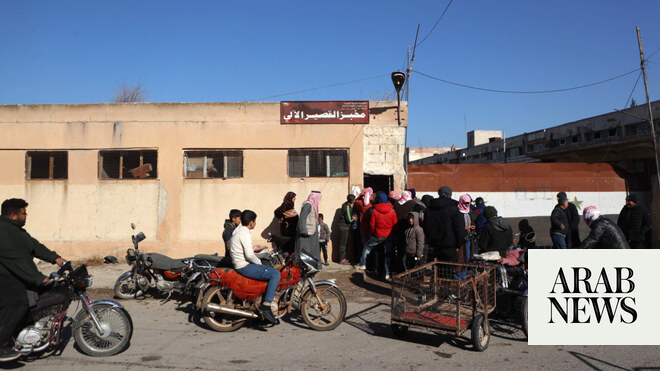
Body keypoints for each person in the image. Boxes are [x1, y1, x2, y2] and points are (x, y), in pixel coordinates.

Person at [0, 198, 68, 361]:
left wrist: (56, 258)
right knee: (19, 304)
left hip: (12, 274)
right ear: (14, 215)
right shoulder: (4, 231)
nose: (26, 215)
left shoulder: (16, 231)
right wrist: (38, 278)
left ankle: (21, 334)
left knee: (36, 300)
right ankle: (2, 345)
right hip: (4, 276)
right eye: (24, 212)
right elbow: (16, 260)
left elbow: (34, 246)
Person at [229, 210, 280, 325]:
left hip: (239, 264)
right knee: (275, 274)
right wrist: (259, 263)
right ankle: (266, 306)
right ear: (251, 222)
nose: (255, 223)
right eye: (255, 221)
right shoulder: (245, 232)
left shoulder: (237, 230)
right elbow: (249, 255)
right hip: (244, 266)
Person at [356, 193, 397, 280]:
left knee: (367, 246)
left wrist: (372, 233)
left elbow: (372, 224)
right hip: (389, 236)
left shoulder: (374, 211)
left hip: (378, 235)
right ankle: (387, 273)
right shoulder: (392, 211)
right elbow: (395, 225)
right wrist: (393, 234)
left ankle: (363, 263)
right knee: (387, 255)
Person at [423, 186, 465, 263]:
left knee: (437, 269)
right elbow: (459, 228)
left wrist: (430, 240)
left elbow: (426, 227)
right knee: (448, 269)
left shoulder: (429, 209)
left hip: (435, 245)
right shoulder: (453, 209)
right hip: (450, 245)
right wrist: (459, 244)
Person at [296, 191, 322, 261]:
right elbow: (302, 218)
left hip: (312, 233)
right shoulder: (308, 205)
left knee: (312, 251)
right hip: (307, 233)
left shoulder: (312, 205)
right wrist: (304, 230)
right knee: (306, 252)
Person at [336, 194, 357, 265]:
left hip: (344, 227)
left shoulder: (345, 205)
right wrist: (353, 219)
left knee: (344, 243)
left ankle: (343, 258)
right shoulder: (347, 207)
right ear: (352, 201)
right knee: (343, 244)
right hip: (344, 227)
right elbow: (348, 220)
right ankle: (342, 259)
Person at [458, 194, 477, 261]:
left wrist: (473, 226)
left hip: (468, 236)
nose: (467, 205)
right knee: (461, 256)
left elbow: (472, 221)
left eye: (468, 203)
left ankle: (465, 270)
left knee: (467, 256)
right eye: (466, 203)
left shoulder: (470, 211)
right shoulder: (457, 211)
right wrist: (463, 228)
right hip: (460, 237)